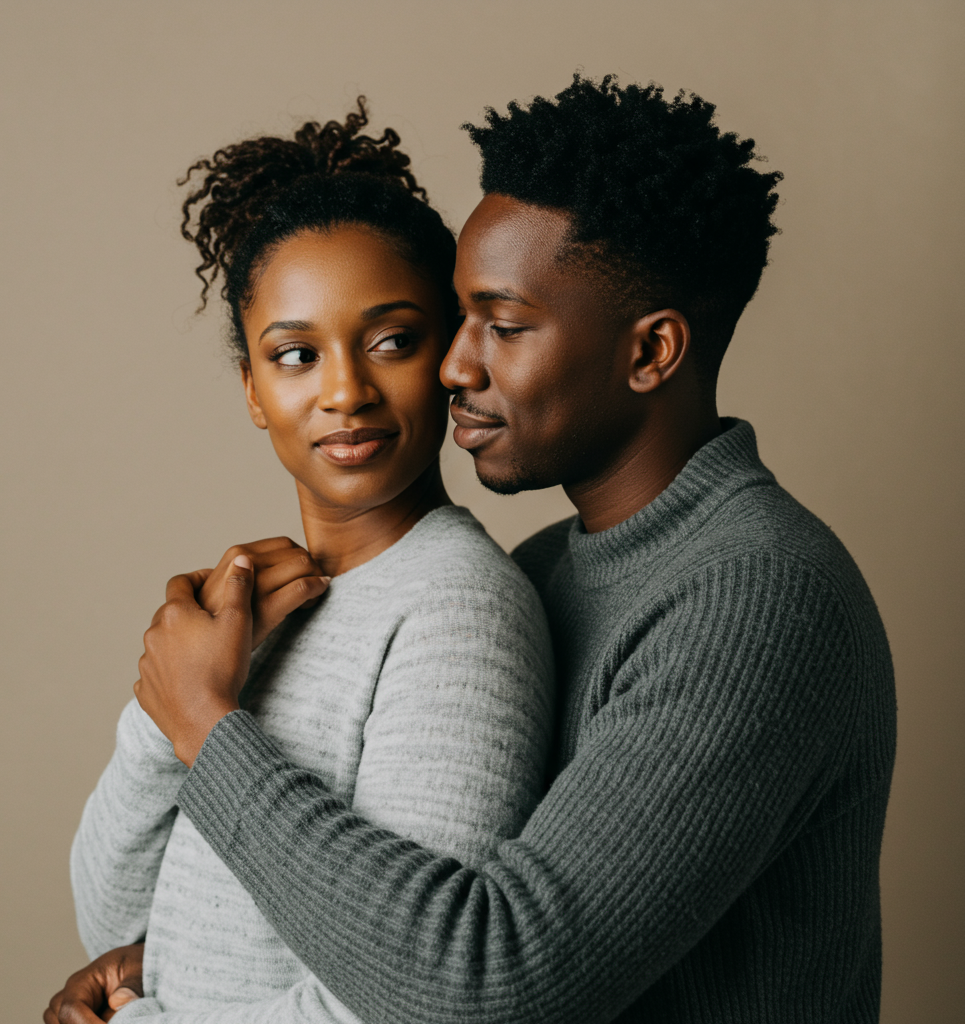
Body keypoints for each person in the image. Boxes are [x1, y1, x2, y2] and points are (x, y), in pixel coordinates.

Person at [51, 76, 897, 1024]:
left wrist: (205, 728)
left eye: (502, 325)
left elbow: (489, 983)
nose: (455, 365)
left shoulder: (760, 596)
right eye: (459, 321)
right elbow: (374, 926)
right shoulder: (551, 569)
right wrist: (165, 957)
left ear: (651, 352)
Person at [48, 103, 555, 1024]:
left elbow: (409, 993)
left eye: (392, 340)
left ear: (448, 351)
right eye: (295, 354)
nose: (345, 390)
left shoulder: (458, 611)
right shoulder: (246, 619)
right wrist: (163, 713)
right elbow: (112, 919)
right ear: (252, 388)